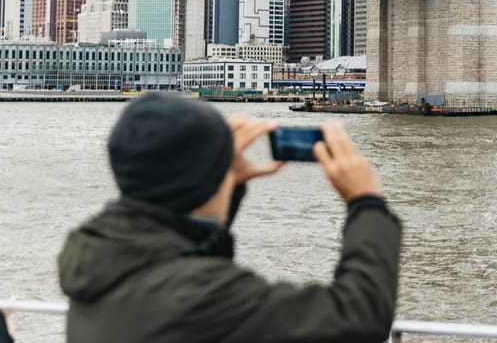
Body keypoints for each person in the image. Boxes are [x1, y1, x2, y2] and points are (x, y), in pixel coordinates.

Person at [57, 93, 401, 343]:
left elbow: (178, 258)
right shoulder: (202, 296)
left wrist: (225, 184)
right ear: (205, 181)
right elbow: (359, 318)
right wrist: (365, 202)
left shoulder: (96, 258)